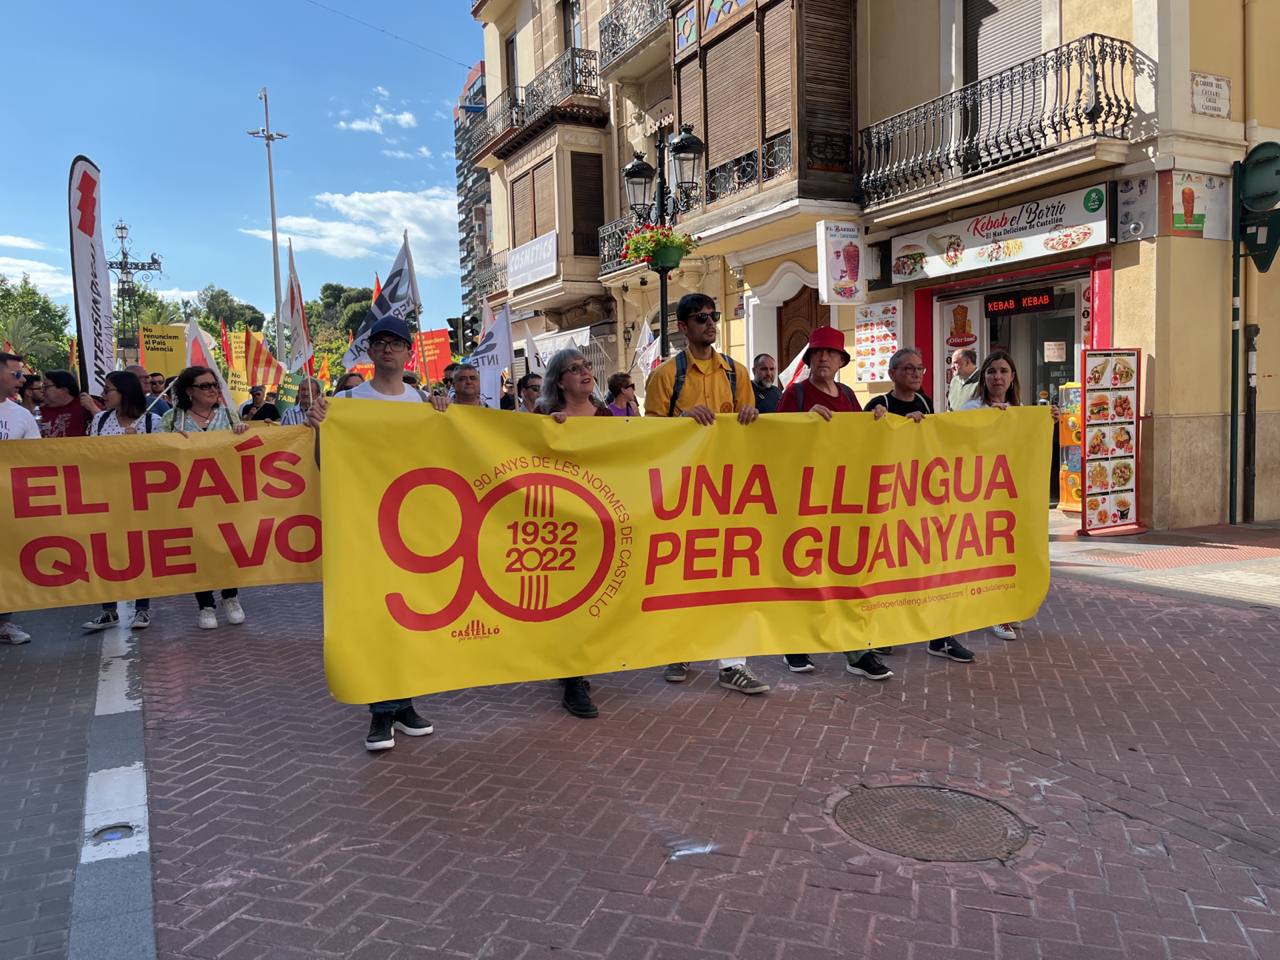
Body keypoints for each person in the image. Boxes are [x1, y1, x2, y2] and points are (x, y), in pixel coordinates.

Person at [307, 316, 446, 752]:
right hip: (364, 524)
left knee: (410, 615)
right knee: (374, 617)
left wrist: (444, 417)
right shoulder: (345, 400)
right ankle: (381, 713)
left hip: (413, 525)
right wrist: (319, 429)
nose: (388, 349)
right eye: (381, 342)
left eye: (397, 343)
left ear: (409, 353)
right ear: (370, 352)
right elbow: (323, 462)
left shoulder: (423, 400)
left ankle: (403, 704)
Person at [644, 293, 768, 695]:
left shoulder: (737, 372)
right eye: (700, 318)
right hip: (682, 493)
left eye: (713, 316)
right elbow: (647, 436)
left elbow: (752, 428)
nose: (710, 323)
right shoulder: (665, 376)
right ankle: (679, 649)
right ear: (682, 327)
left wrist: (751, 416)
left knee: (731, 574)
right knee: (683, 573)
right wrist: (680, 422)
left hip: (728, 492)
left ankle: (733, 664)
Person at [773, 328, 892, 682]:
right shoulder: (794, 395)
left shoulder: (850, 396)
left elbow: (862, 441)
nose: (824, 358)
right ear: (809, 359)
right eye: (818, 352)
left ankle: (856, 650)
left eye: (831, 352)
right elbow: (773, 441)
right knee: (802, 573)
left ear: (841, 361)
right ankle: (795, 643)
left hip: (844, 501)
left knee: (846, 573)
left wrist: (881, 422)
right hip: (803, 499)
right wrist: (803, 423)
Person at [866, 348, 975, 665]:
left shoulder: (927, 404)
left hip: (923, 503)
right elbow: (862, 446)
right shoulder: (878, 405)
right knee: (886, 570)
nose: (915, 373)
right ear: (893, 373)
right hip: (887, 504)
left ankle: (940, 636)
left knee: (931, 570)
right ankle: (881, 634)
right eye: (908, 368)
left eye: (920, 368)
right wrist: (890, 425)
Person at [541, 349, 614, 718]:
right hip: (557, 524)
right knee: (567, 600)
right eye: (575, 369)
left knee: (591, 596)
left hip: (599, 523)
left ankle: (575, 666)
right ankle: (573, 679)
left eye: (586, 366)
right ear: (560, 381)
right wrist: (544, 434)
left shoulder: (607, 416)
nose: (585, 372)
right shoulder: (543, 418)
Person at [161, 366, 251, 630]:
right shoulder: (172, 418)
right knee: (198, 549)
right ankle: (206, 604)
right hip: (188, 496)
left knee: (227, 546)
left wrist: (244, 431)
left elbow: (246, 448)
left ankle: (231, 597)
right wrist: (168, 441)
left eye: (215, 385)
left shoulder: (228, 414)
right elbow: (153, 451)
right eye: (205, 386)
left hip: (225, 495)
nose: (213, 389)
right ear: (189, 391)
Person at [82, 371, 165, 632]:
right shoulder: (99, 421)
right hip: (105, 498)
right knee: (105, 553)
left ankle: (142, 609)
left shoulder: (153, 422)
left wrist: (138, 446)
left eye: (108, 390)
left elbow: (164, 461)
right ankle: (108, 610)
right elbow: (88, 455)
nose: (104, 396)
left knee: (140, 552)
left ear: (124, 392)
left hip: (140, 500)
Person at [0, 353, 39, 644]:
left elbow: (36, 462)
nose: (23, 380)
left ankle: (4, 622)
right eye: (16, 374)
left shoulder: (21, 416)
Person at [39, 369, 97, 437]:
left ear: (64, 389)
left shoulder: (86, 403)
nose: (42, 390)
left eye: (46, 386)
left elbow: (108, 424)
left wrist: (93, 409)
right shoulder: (39, 412)